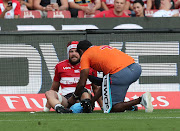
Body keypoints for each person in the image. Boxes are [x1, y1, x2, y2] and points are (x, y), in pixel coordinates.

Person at [68, 40, 154, 113]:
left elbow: (82, 83)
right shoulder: (102, 48)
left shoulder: (85, 55)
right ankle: (129, 107)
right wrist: (93, 101)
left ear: (81, 51)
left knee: (112, 107)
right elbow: (106, 84)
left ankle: (140, 100)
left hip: (121, 74)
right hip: (135, 68)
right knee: (115, 100)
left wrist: (74, 97)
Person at [44, 41, 102, 113]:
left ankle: (86, 106)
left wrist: (103, 107)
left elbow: (96, 89)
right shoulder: (60, 66)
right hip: (67, 100)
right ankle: (60, 109)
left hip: (84, 97)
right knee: (49, 93)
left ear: (80, 52)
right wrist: (45, 110)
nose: (74, 54)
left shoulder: (90, 66)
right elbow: (54, 89)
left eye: (76, 51)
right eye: (71, 51)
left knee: (84, 92)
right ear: (68, 53)